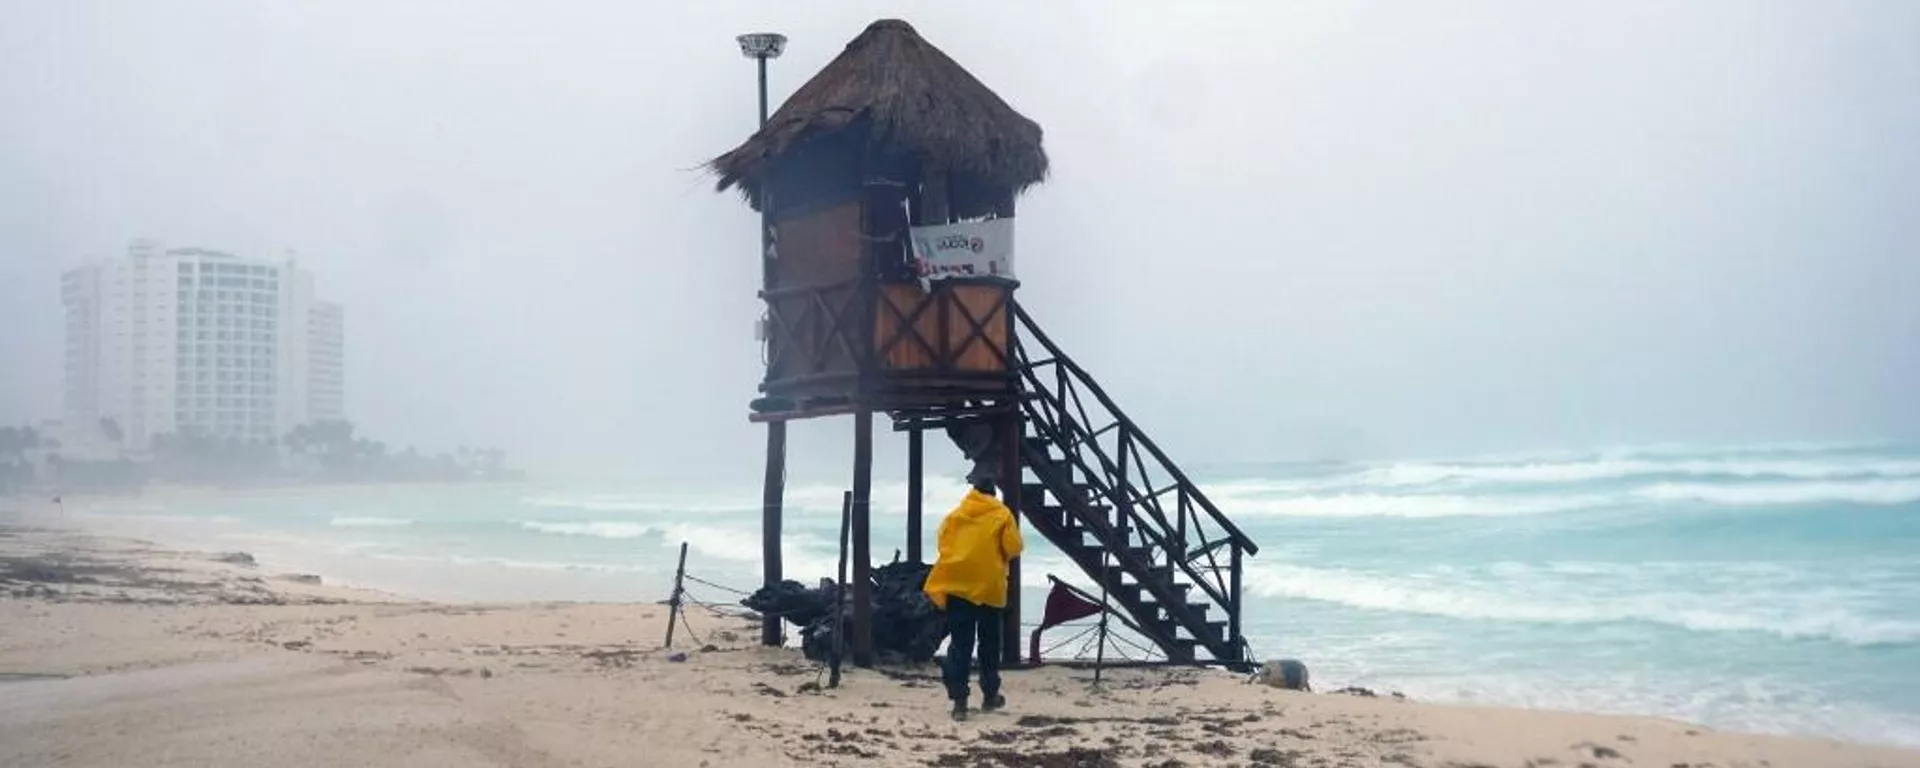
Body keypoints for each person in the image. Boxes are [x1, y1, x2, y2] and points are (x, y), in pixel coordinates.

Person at [922, 479, 1024, 721]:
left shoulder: (956, 515)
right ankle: (990, 695)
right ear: (993, 494)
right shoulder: (1002, 513)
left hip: (959, 586)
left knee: (961, 643)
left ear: (973, 492)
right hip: (990, 587)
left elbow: (942, 543)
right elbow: (1014, 547)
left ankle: (960, 702)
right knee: (989, 643)